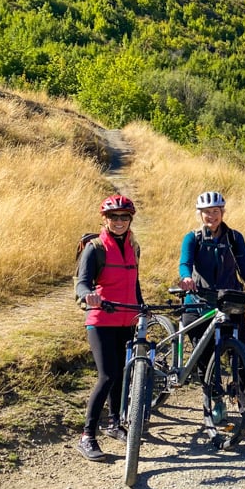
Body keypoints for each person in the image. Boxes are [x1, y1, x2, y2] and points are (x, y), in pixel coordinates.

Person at [179, 191, 245, 435]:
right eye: (207, 212)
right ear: (200, 214)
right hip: (199, 302)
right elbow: (185, 263)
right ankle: (215, 399)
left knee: (240, 358)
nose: (211, 216)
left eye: (216, 211)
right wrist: (186, 278)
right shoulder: (193, 238)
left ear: (223, 213)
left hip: (230, 301)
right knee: (205, 357)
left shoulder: (234, 238)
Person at [74, 195, 142, 461]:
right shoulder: (95, 248)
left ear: (130, 220)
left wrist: (141, 307)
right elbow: (82, 283)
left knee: (122, 375)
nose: (119, 222)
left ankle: (115, 424)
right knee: (107, 375)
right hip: (101, 319)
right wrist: (89, 295)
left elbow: (135, 283)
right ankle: (87, 436)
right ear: (106, 219)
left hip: (127, 318)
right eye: (114, 217)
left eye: (124, 217)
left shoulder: (134, 247)